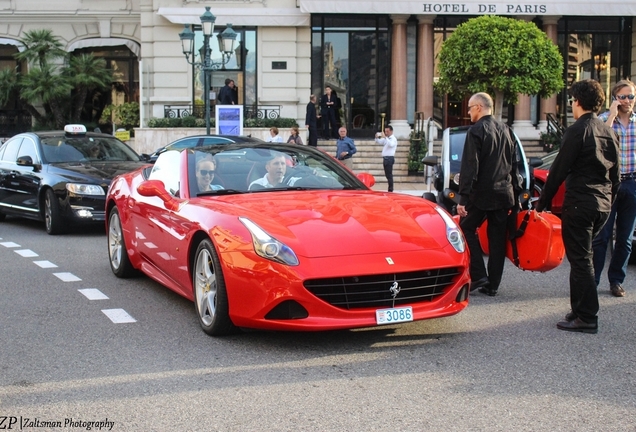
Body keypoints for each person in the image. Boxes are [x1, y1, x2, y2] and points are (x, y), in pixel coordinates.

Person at [536, 79, 620, 334]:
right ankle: (580, 308)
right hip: (602, 203)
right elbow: (616, 175)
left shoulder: (578, 129)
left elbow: (559, 169)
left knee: (581, 259)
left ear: (578, 102)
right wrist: (609, 199)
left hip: (580, 203)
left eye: (572, 100)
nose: (572, 104)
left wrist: (542, 203)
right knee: (584, 257)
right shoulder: (609, 131)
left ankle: (587, 316)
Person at [456, 92, 522, 297]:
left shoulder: (476, 131)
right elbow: (514, 166)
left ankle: (479, 275)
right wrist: (517, 196)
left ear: (478, 107)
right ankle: (493, 285)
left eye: (469, 108)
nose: (468, 112)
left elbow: (470, 166)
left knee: (466, 228)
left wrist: (463, 198)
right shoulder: (507, 130)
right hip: (505, 193)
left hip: (483, 193)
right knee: (497, 239)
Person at [592, 79, 636, 298]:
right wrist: (611, 115)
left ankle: (616, 280)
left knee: (625, 239)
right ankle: (593, 280)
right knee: (602, 236)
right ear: (615, 99)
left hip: (633, 183)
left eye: (631, 96)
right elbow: (600, 143)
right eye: (622, 96)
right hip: (610, 184)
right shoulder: (603, 120)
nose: (627, 101)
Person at [375, 125, 398, 192]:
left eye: (387, 131)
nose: (386, 133)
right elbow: (379, 142)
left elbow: (391, 144)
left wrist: (385, 138)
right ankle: (390, 187)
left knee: (389, 175)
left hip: (389, 158)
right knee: (387, 174)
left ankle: (390, 189)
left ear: (391, 131)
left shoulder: (393, 139)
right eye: (385, 131)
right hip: (385, 158)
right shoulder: (386, 139)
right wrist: (376, 138)